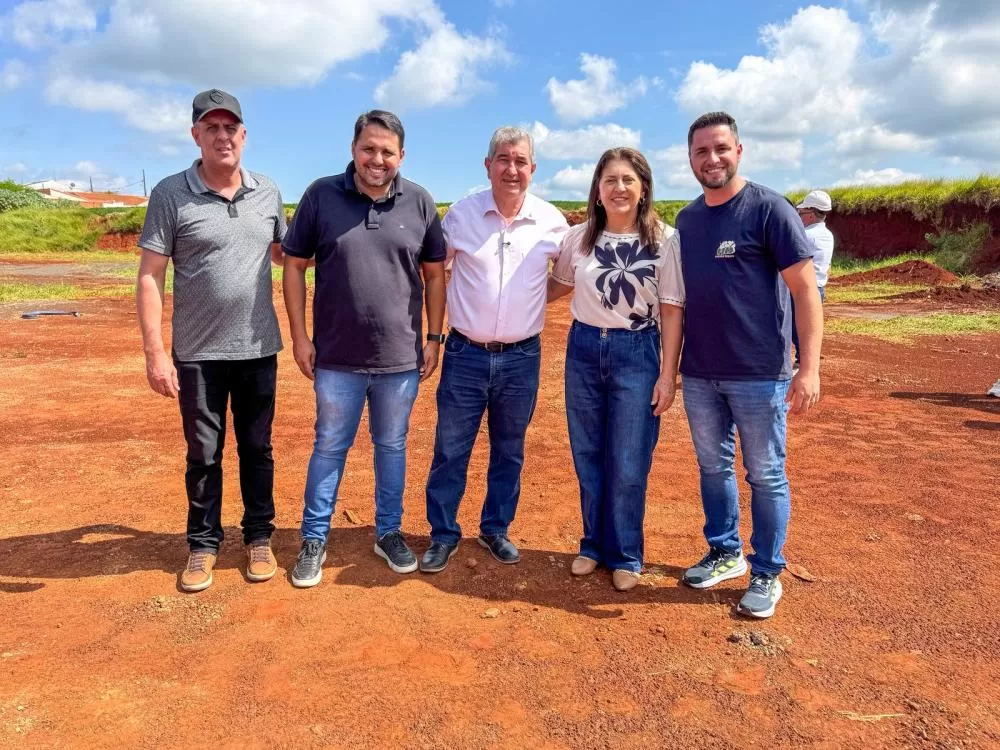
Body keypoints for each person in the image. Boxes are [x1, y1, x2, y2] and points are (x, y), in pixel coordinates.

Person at [282, 110, 447, 587]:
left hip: (400, 359)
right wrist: (299, 336)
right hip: (335, 357)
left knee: (391, 447)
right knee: (330, 446)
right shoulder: (320, 196)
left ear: (402, 155)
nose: (377, 160)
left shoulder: (419, 202)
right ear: (353, 149)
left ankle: (388, 532)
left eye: (387, 152)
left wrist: (434, 337)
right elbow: (294, 267)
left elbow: (435, 275)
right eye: (369, 149)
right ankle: (314, 540)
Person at [136, 89, 287, 592]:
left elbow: (289, 256)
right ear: (196, 135)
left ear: (244, 135)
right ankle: (203, 545)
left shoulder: (268, 192)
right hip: (197, 355)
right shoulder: (170, 194)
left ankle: (259, 538)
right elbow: (151, 276)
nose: (222, 136)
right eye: (211, 128)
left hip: (258, 347)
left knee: (257, 447)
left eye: (231, 128)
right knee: (203, 453)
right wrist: (156, 353)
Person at [676, 111, 822, 618]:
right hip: (699, 373)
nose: (711, 159)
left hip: (760, 373)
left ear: (739, 151)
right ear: (690, 158)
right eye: (701, 151)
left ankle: (766, 571)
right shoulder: (688, 221)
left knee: (765, 473)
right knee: (713, 467)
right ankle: (724, 551)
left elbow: (805, 291)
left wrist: (809, 368)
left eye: (720, 148)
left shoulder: (770, 210)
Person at [420, 126, 568, 573]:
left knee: (510, 448)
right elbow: (436, 274)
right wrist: (432, 335)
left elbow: (564, 276)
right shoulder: (460, 217)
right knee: (451, 447)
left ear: (533, 169)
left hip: (522, 357)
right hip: (465, 353)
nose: (512, 168)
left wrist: (527, 303)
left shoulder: (552, 221)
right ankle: (443, 534)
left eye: (521, 161)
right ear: (488, 165)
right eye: (503, 159)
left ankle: (495, 528)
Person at [547, 148, 684, 592]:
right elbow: (555, 287)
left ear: (643, 187)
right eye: (610, 180)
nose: (619, 188)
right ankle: (592, 545)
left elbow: (672, 310)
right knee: (587, 453)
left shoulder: (665, 240)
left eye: (628, 179)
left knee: (629, 459)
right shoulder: (579, 238)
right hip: (584, 348)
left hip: (637, 350)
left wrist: (668, 374)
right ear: (597, 189)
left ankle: (626, 553)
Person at [792, 190, 835, 367]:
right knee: (808, 327)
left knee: (797, 327)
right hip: (818, 288)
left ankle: (803, 364)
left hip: (802, 288)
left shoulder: (806, 236)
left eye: (801, 213)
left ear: (810, 215)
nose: (799, 217)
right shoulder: (827, 235)